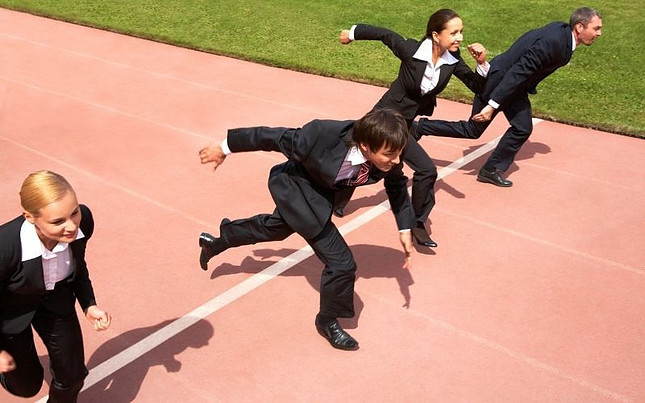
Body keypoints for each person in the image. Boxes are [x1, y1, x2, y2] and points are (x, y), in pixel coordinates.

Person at [197, 108, 415, 351]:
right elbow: (270, 137)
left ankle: (218, 241)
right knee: (342, 263)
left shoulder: (389, 149)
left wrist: (404, 226)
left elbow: (396, 184)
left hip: (321, 195)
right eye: (390, 155)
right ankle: (327, 320)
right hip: (295, 188)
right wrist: (225, 148)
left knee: (275, 229)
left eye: (399, 153)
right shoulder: (320, 136)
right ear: (365, 145)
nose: (396, 160)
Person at [336, 9, 489, 247]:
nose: (460, 38)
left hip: (404, 126)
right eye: (454, 32)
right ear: (436, 35)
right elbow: (385, 34)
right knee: (359, 156)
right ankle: (336, 198)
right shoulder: (410, 50)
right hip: (384, 117)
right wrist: (352, 33)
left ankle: (417, 223)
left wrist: (481, 64)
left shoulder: (452, 61)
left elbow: (476, 86)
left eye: (461, 32)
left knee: (427, 171)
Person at [414, 7, 603, 187]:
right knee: (473, 130)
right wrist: (492, 105)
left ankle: (490, 169)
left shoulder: (561, 31)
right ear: (579, 27)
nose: (599, 33)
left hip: (514, 85)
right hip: (500, 81)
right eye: (596, 28)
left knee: (522, 127)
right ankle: (419, 127)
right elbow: (519, 72)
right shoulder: (554, 43)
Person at [0, 170, 111, 402]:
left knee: (73, 376)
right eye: (58, 221)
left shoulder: (84, 223)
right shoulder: (5, 247)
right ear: (30, 217)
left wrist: (89, 304)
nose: (71, 226)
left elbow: (79, 267)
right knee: (26, 387)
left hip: (55, 299)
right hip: (10, 309)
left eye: (74, 212)